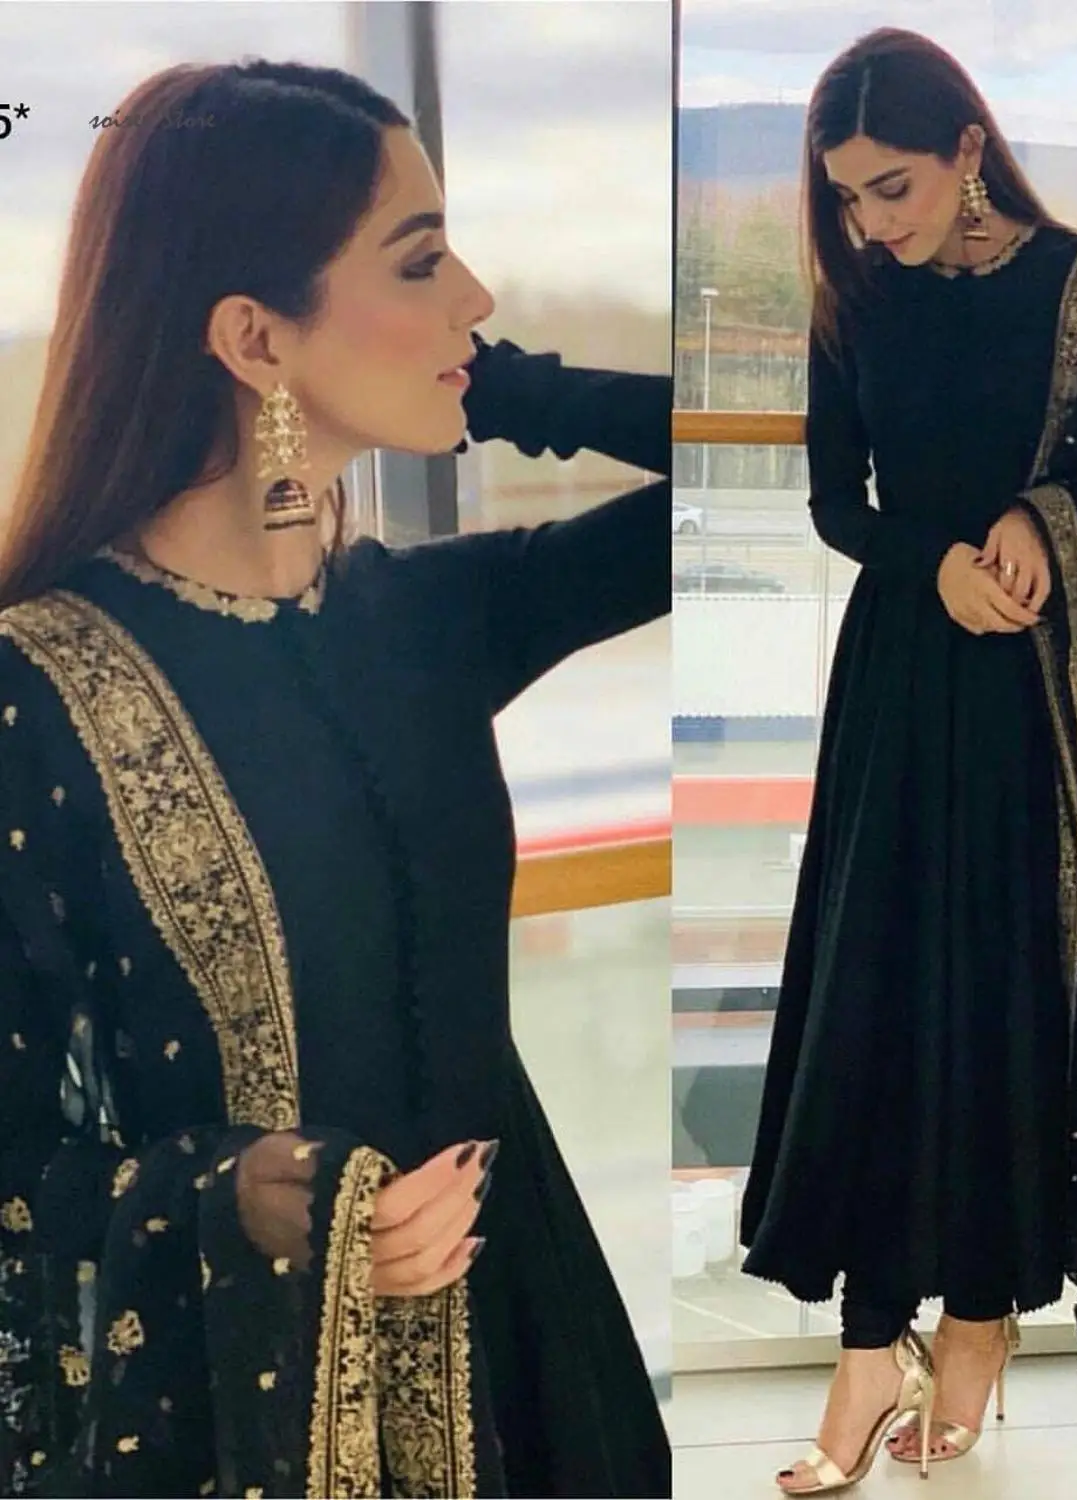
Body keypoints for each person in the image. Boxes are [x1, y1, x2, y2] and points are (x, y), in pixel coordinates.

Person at [0, 60, 670, 1499]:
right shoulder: (37, 687)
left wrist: (514, 388)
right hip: (242, 1418)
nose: (476, 296)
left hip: (529, 1349)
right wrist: (243, 1195)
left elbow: (764, 467)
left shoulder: (431, 618)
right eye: (421, 262)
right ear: (254, 336)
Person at [737, 26, 1077, 1494]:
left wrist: (1035, 517)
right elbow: (834, 500)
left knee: (1000, 1002)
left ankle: (982, 1322)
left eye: (893, 187)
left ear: (967, 151)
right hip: (899, 676)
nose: (871, 221)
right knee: (877, 994)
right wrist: (932, 558)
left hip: (1041, 704)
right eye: (847, 196)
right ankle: (872, 1342)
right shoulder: (857, 296)